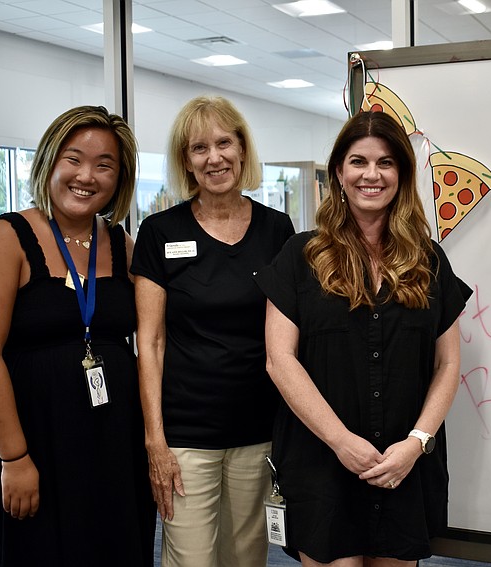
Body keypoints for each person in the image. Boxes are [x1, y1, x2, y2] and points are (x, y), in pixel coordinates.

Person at [254, 110, 473, 566]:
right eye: (358, 161)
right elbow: (280, 360)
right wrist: (341, 441)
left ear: (402, 175)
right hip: (322, 462)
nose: (371, 174)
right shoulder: (301, 255)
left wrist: (415, 443)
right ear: (339, 170)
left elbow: (448, 364)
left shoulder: (428, 259)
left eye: (386, 163)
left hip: (403, 463)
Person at [0, 105, 156, 566]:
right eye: (74, 159)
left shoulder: (121, 244)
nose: (87, 175)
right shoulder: (7, 236)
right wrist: (14, 458)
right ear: (50, 161)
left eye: (104, 164)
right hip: (35, 442)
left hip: (113, 442)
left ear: (119, 178)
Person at [132, 95, 295, 567]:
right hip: (184, 434)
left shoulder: (276, 229)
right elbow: (152, 341)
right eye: (199, 148)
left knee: (246, 555)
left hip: (258, 428)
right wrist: (154, 440)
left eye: (224, 143)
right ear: (186, 160)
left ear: (242, 150)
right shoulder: (160, 232)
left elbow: (289, 334)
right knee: (191, 559)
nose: (214, 157)